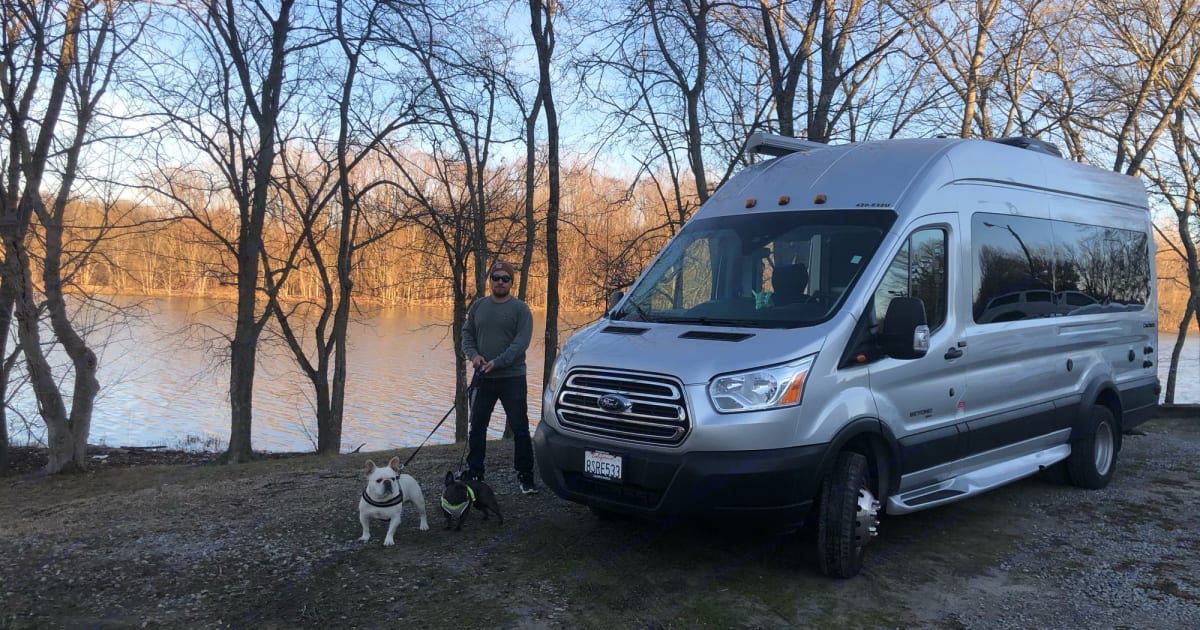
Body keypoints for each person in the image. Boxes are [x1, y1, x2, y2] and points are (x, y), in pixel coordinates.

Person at [462, 261, 538, 494]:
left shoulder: (521, 310)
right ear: (490, 280)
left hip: (512, 378)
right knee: (477, 427)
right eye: (496, 277)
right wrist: (474, 356)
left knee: (520, 429)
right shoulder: (479, 306)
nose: (500, 282)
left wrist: (499, 362)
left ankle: (525, 477)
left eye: (505, 278)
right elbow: (467, 333)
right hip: (483, 377)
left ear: (511, 282)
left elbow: (520, 343)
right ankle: (475, 472)